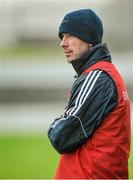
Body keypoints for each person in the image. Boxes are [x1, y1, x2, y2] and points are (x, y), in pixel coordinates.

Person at [48, 9, 131, 179]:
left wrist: (55, 124)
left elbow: (62, 137)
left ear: (89, 40)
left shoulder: (97, 77)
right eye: (62, 37)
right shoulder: (100, 74)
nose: (63, 43)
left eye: (70, 35)